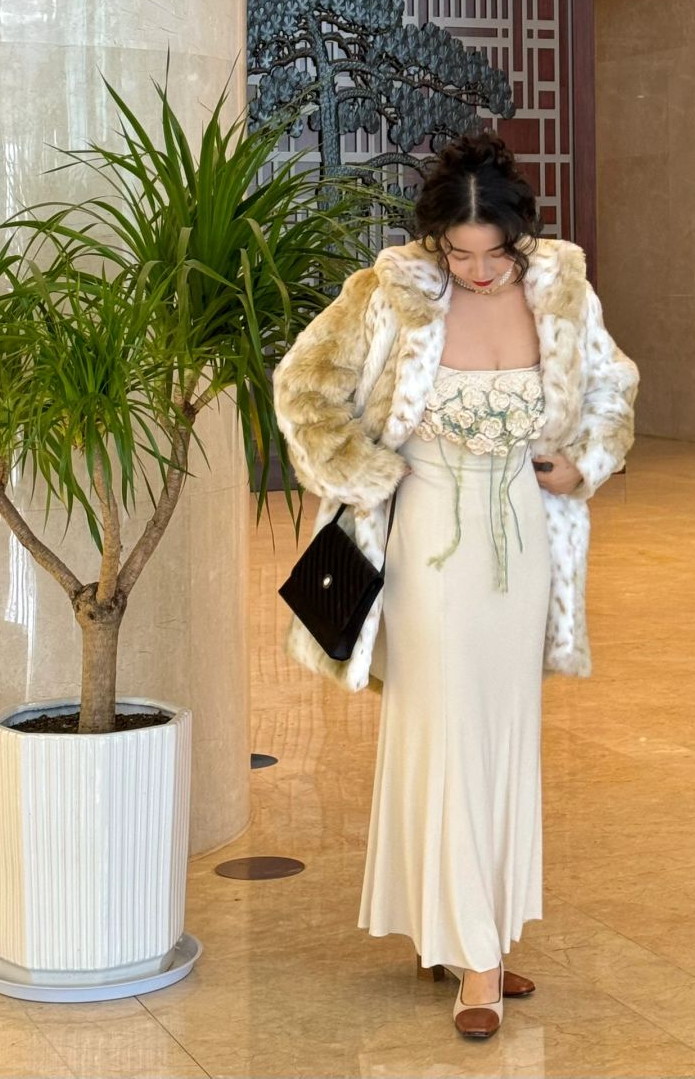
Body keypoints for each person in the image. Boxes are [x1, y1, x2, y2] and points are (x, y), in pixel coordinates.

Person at [272, 131, 639, 1039]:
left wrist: (585, 462)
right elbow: (302, 386)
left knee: (503, 734)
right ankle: (477, 959)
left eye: (494, 254)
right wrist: (361, 468)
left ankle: (464, 932)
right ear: (436, 240)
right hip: (425, 543)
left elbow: (612, 388)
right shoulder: (391, 292)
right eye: (460, 253)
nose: (477, 272)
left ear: (521, 237)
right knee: (444, 730)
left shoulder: (561, 290)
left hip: (524, 540)